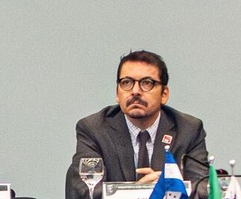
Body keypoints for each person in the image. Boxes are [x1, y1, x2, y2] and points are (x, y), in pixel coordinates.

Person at [65, 50, 209, 199]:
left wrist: (168, 187)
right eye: (126, 82)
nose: (135, 91)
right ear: (117, 93)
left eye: (146, 83)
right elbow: (86, 190)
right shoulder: (94, 129)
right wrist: (142, 192)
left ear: (164, 94)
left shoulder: (188, 130)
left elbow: (203, 189)